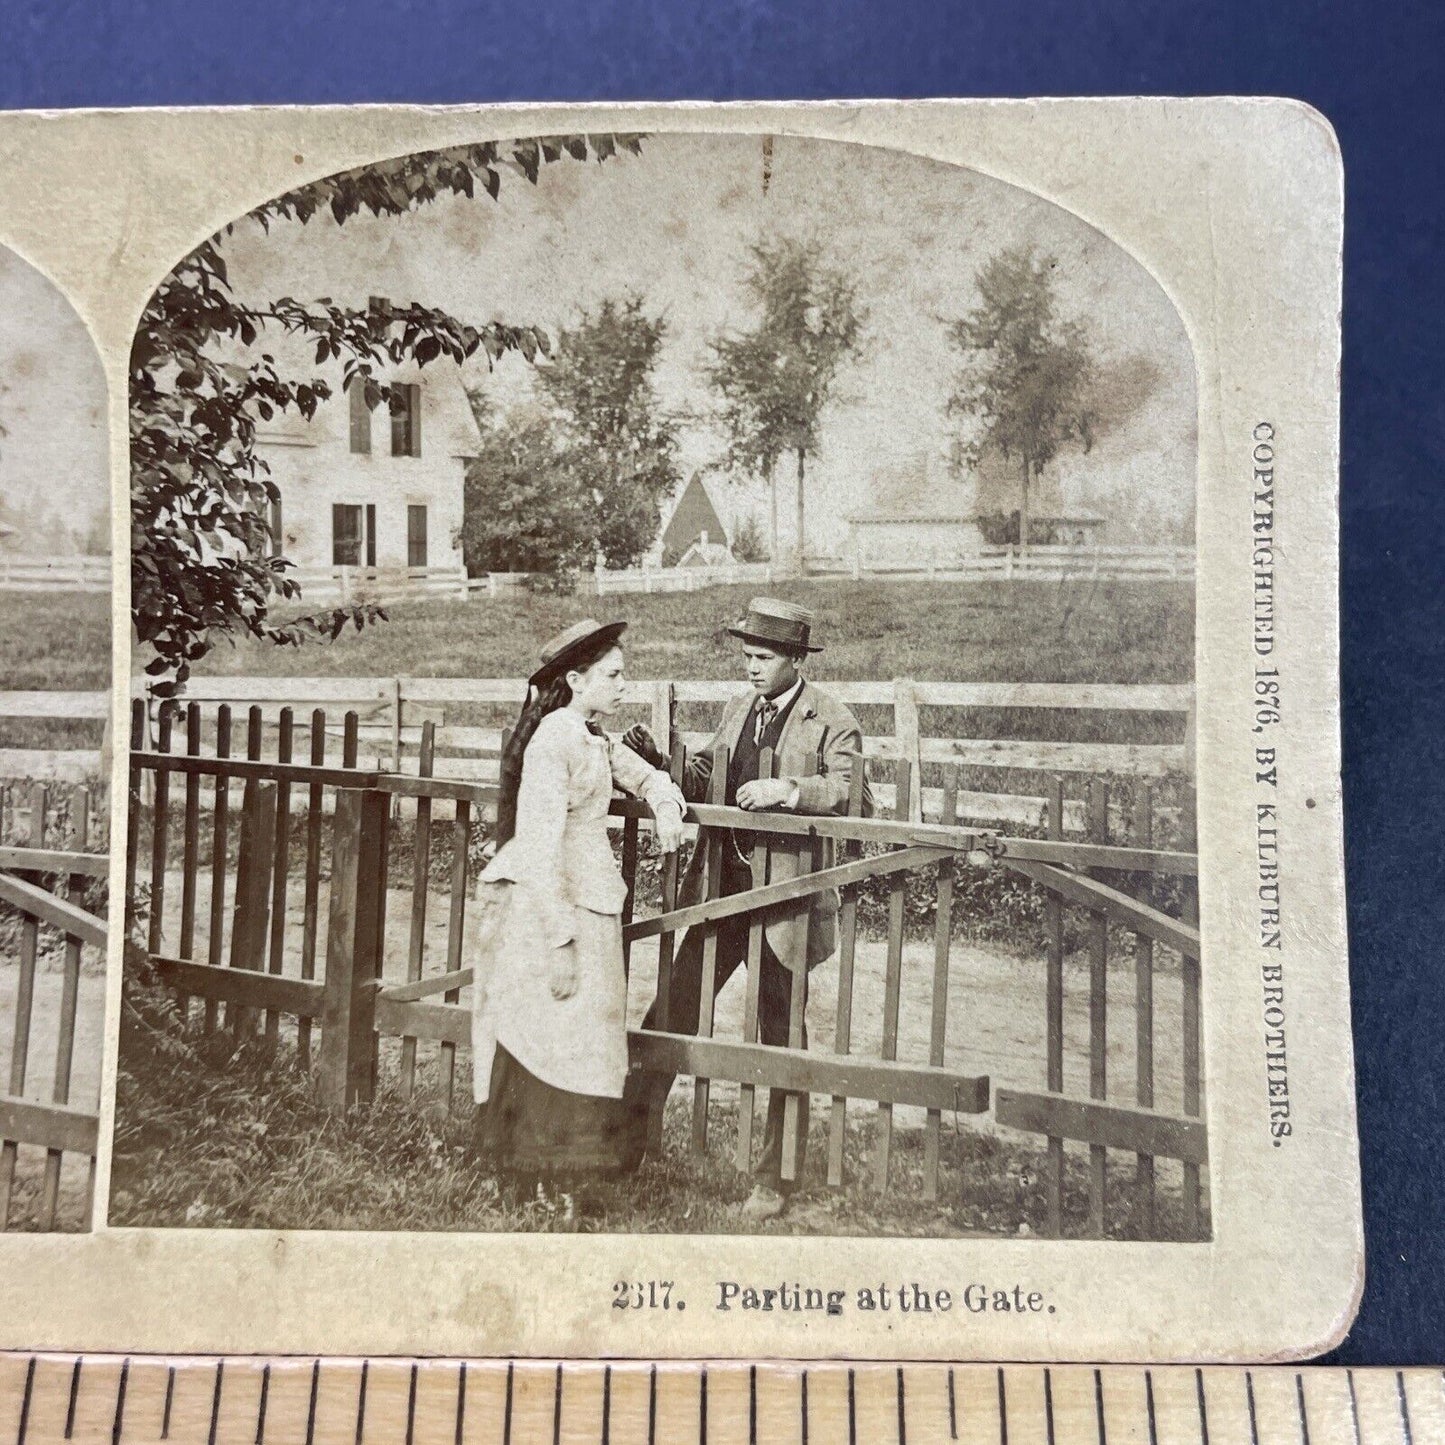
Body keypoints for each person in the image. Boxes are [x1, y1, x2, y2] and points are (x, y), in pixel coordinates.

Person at [622, 597, 872, 1221]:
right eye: (746, 657)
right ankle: (626, 1137)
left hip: (786, 901)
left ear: (793, 659)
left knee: (781, 1032)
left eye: (762, 658)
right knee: (675, 1005)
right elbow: (713, 772)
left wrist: (791, 790)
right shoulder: (741, 709)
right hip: (723, 893)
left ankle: (776, 1177)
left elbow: (854, 792)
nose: (751, 669)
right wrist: (665, 758)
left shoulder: (831, 720)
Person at [471, 618, 685, 1222]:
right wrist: (559, 941)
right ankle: (535, 1178)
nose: (624, 685)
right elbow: (539, 849)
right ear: (576, 679)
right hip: (551, 908)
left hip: (590, 900)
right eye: (613, 675)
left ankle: (570, 1176)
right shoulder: (552, 742)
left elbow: (646, 775)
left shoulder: (591, 737)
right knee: (548, 1034)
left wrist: (667, 807)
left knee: (588, 1038)